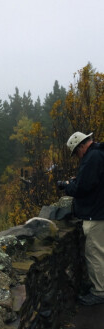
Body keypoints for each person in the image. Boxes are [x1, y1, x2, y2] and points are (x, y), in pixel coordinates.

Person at [60, 131, 104, 305]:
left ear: (81, 146)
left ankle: (99, 292)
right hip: (100, 210)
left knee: (95, 253)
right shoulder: (99, 153)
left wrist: (67, 186)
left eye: (76, 152)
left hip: (96, 214)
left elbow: (82, 188)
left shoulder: (92, 158)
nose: (77, 157)